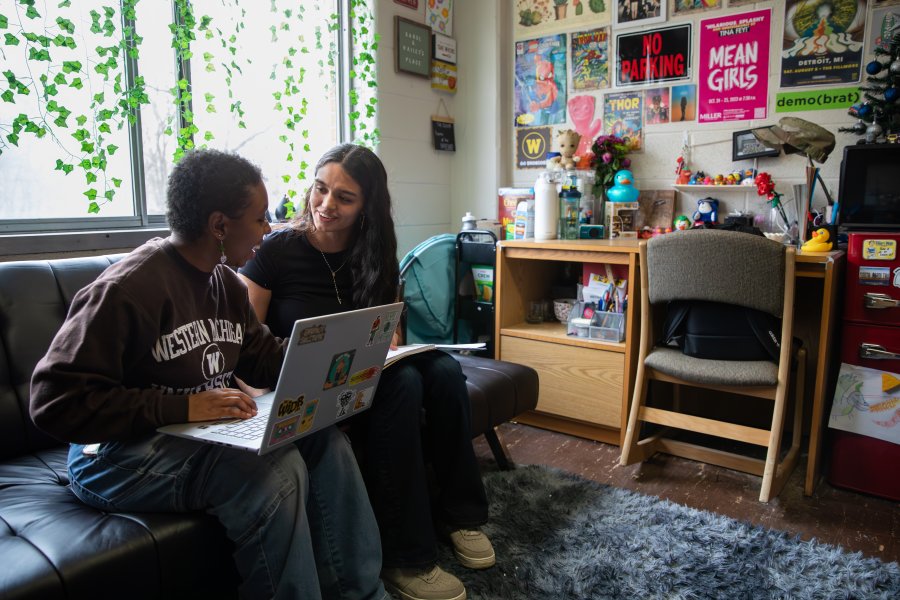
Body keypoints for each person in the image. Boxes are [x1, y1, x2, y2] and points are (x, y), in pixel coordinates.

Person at [29, 149, 387, 600]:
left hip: (193, 434)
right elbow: (53, 401)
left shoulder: (225, 284)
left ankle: (361, 592)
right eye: (259, 219)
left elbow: (262, 358)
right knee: (271, 472)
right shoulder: (126, 289)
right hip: (111, 456)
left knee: (326, 441)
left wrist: (342, 353)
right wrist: (183, 406)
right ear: (220, 226)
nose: (268, 230)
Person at [239, 143, 494, 600]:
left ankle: (462, 515)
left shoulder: (373, 251)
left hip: (359, 374)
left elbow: (387, 330)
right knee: (405, 383)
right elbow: (242, 337)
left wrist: (389, 343)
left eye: (344, 197)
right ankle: (405, 558)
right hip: (297, 384)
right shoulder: (277, 251)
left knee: (442, 371)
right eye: (320, 190)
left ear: (367, 206)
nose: (326, 205)